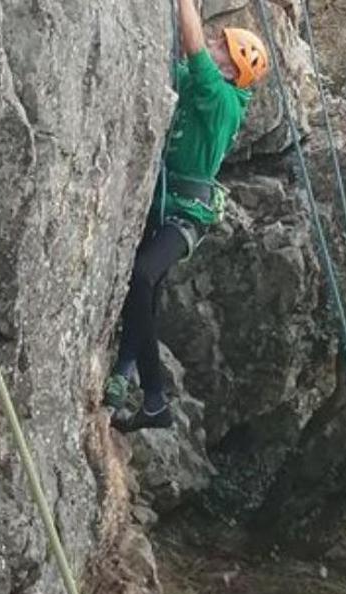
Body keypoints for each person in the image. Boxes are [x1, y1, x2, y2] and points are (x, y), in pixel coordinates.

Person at [102, 0, 269, 431]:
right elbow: (179, 64)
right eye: (217, 39)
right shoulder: (204, 89)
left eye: (222, 46)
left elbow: (193, 45)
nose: (214, 43)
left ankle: (152, 395)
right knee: (145, 295)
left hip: (185, 217)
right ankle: (127, 373)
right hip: (165, 204)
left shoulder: (224, 101)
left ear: (231, 70)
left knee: (141, 278)